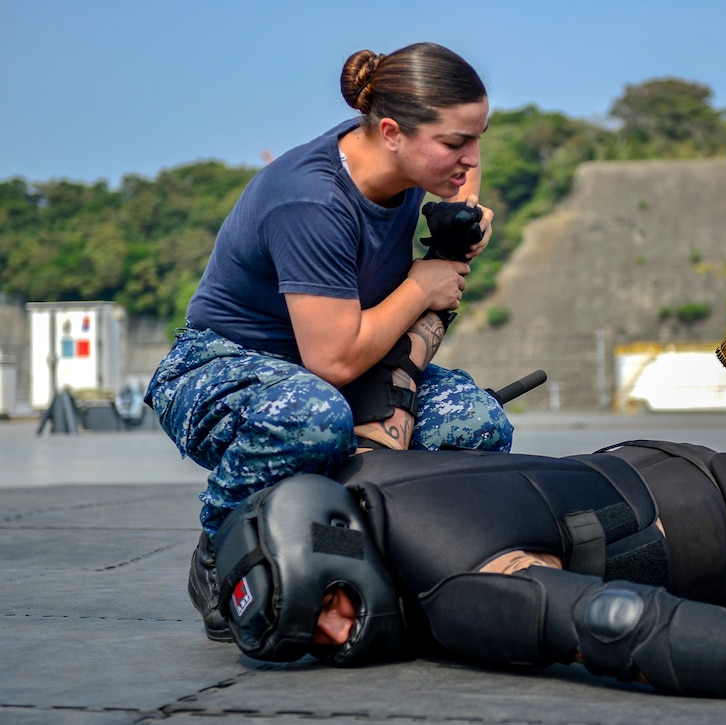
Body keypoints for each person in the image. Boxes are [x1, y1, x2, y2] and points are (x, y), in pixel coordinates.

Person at [208, 284, 726, 707]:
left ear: (338, 548)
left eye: (331, 608)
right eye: (314, 637)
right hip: (643, 470)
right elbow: (399, 367)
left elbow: (619, 624)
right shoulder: (365, 460)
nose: (338, 639)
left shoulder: (458, 585)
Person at [143, 42, 514, 642]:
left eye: (478, 137)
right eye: (455, 144)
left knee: (475, 423)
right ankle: (222, 548)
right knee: (313, 419)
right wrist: (422, 284)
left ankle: (394, 555)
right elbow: (335, 361)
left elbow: (459, 178)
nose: (471, 158)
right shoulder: (310, 200)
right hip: (226, 364)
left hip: (335, 362)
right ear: (391, 131)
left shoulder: (404, 157)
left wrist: (459, 219)